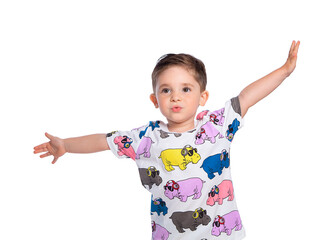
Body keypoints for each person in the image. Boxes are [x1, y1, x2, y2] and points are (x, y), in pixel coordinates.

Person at [34, 40, 300, 239]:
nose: (176, 96)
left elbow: (247, 97)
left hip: (224, 234)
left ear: (202, 97)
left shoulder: (216, 126)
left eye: (186, 89)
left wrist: (284, 71)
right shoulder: (145, 137)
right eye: (166, 90)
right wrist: (66, 145)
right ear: (155, 99)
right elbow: (103, 141)